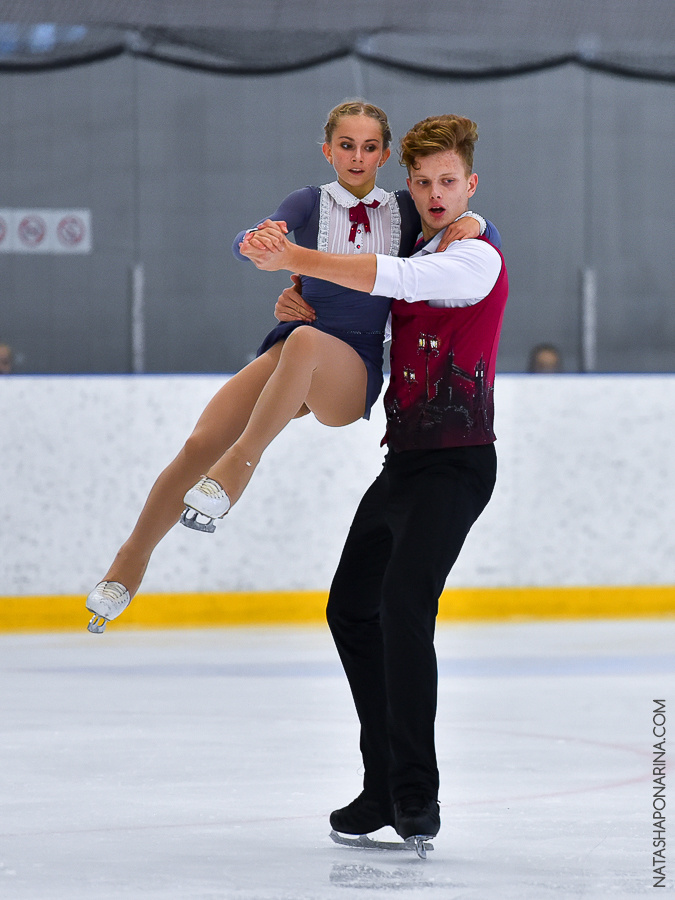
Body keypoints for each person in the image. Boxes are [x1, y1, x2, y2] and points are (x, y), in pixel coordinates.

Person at [85, 100, 495, 634]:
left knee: (303, 343)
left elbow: (461, 222)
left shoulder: (406, 205)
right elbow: (251, 240)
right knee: (199, 442)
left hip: (352, 366)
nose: (357, 156)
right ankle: (130, 561)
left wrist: (476, 219)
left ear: (386, 155)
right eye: (346, 145)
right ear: (327, 150)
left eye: (370, 147)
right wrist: (257, 245)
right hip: (297, 343)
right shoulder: (310, 203)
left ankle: (238, 470)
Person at [241, 114, 508, 852]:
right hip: (403, 464)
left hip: (457, 464)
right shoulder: (426, 241)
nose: (432, 193)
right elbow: (365, 311)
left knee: (400, 607)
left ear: (469, 185)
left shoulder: (472, 258)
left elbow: (393, 278)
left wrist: (297, 254)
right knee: (351, 610)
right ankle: (381, 785)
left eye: (447, 182)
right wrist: (295, 301)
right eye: (420, 182)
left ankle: (416, 797)